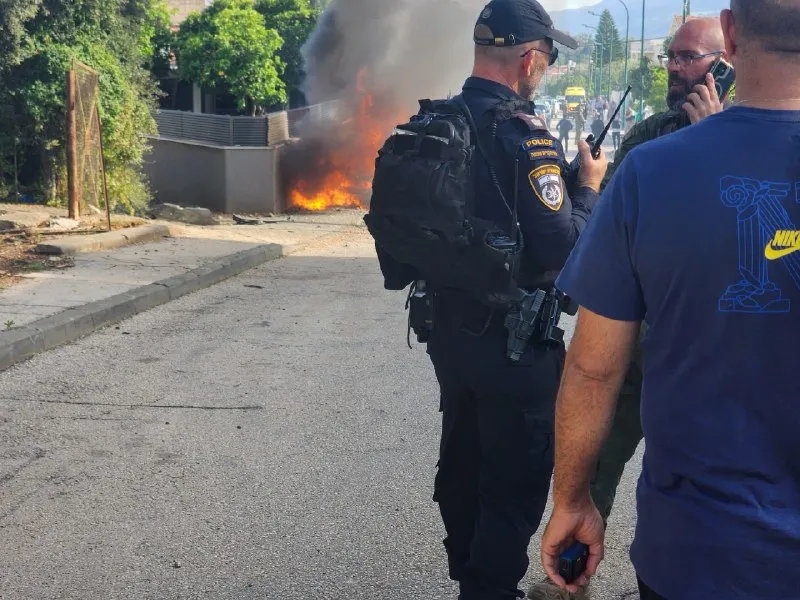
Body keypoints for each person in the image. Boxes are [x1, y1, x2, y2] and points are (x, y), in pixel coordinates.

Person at [541, 2, 800, 599]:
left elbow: (592, 365)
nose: (678, 67)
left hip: (697, 553)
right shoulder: (647, 151)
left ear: (731, 38)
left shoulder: (651, 172)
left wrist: (571, 502)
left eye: (692, 54)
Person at [368, 1, 607, 598]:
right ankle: (485, 587)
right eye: (547, 60)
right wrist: (589, 189)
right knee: (514, 484)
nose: (545, 70)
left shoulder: (437, 125)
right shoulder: (529, 140)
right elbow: (562, 252)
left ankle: (468, 571)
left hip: (447, 336)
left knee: (464, 460)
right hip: (517, 349)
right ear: (529, 59)